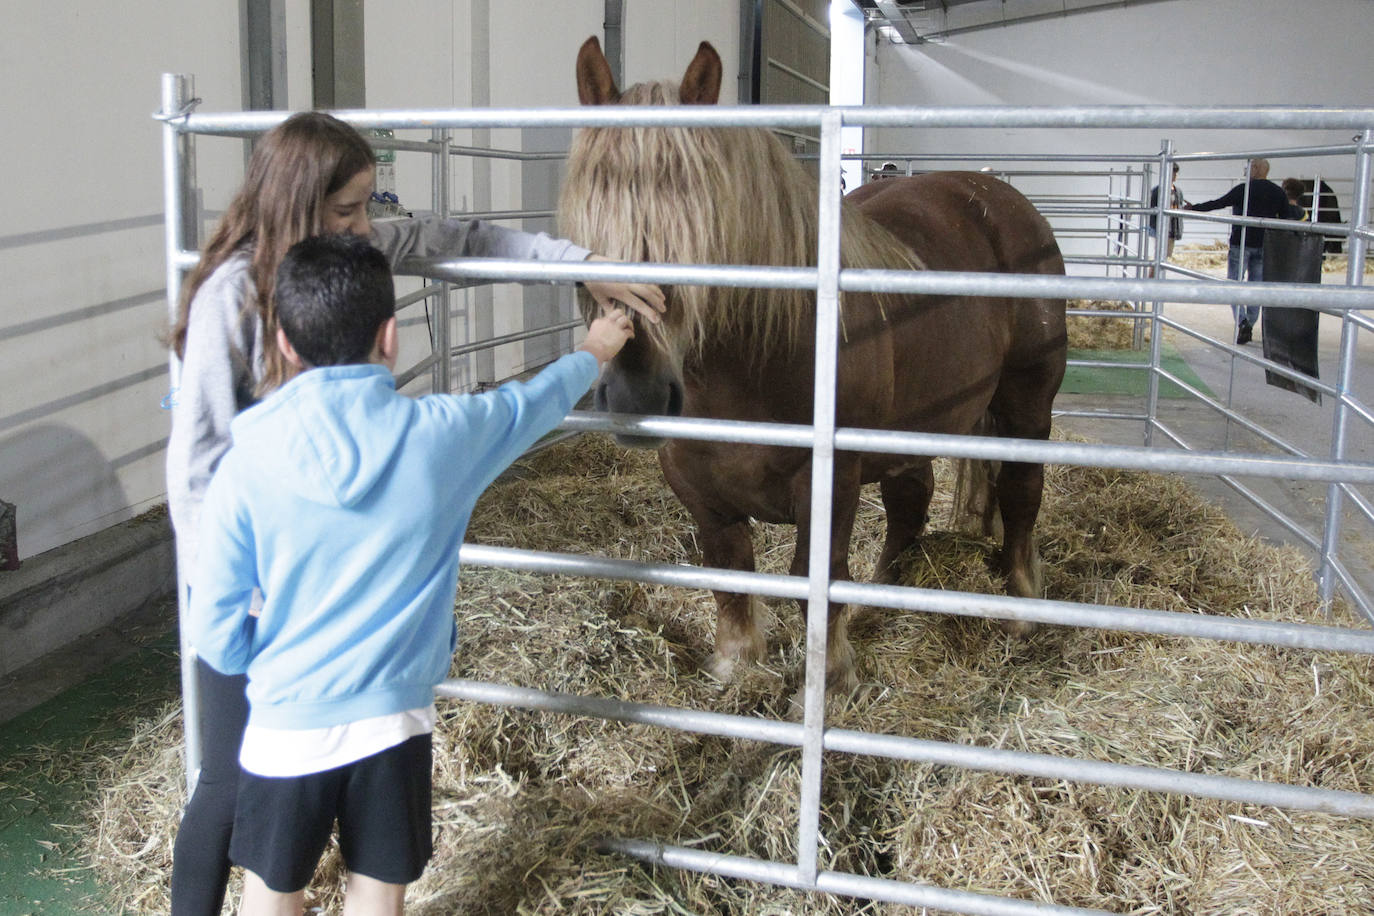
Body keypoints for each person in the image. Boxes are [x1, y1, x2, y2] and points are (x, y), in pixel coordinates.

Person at [166, 110, 664, 915]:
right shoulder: (235, 296)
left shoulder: (352, 257)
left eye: (368, 205)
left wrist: (586, 264)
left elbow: (460, 237)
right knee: (224, 783)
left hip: (324, 587)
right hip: (262, 575)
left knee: (278, 850)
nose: (367, 226)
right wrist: (236, 605)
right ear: (297, 204)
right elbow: (197, 473)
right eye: (347, 210)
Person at [1185, 158, 1289, 345]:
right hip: (1264, 245)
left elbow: (1219, 203)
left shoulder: (1244, 189)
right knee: (1256, 288)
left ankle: (1242, 322)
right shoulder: (1278, 192)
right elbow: (1287, 218)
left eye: (1249, 167)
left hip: (1241, 243)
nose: (1246, 171)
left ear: (1256, 169)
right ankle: (1250, 322)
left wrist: (1194, 208)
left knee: (1233, 285)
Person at [1146, 163, 1187, 276]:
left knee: (1165, 257)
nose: (1175, 175)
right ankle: (1150, 282)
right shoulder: (1158, 190)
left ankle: (1157, 280)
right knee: (1158, 256)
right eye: (1173, 172)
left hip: (1172, 228)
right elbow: (1151, 208)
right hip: (1161, 228)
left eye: (1175, 172)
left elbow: (1179, 207)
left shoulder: (1177, 191)